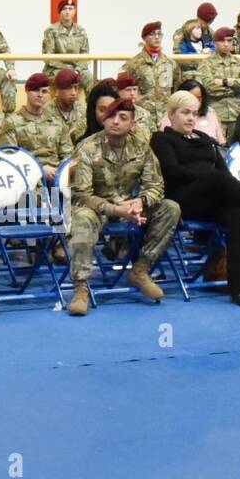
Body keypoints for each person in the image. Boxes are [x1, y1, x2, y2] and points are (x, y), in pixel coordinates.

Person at [151, 91, 240, 307]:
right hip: (182, 200)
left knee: (237, 215)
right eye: (185, 113)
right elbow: (173, 171)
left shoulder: (204, 140)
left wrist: (218, 182)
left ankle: (239, 290)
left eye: (194, 113)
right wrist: (209, 178)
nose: (191, 118)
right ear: (171, 115)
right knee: (218, 179)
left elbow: (226, 176)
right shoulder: (161, 139)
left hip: (212, 197)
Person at [64, 98, 180, 316]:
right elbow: (80, 195)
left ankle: (140, 269)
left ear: (132, 124)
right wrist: (117, 209)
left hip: (130, 203)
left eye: (123, 117)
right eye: (111, 116)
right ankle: (80, 287)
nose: (115, 121)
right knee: (82, 217)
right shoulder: (87, 148)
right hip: (98, 207)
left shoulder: (141, 147)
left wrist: (140, 202)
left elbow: (155, 185)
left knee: (170, 208)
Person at [0, 73, 73, 185]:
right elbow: (9, 159)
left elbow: (68, 154)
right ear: (27, 91)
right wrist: (39, 170)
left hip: (57, 179)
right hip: (27, 182)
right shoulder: (12, 122)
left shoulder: (57, 121)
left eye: (44, 91)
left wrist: (60, 172)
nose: (40, 95)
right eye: (36, 90)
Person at [196, 26, 240, 142]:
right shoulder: (206, 63)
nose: (226, 44)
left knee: (238, 146)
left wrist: (226, 82)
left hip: (237, 112)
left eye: (229, 40)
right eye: (222, 41)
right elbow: (209, 86)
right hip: (216, 112)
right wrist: (236, 86)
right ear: (215, 42)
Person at [123, 20, 179, 111]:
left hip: (165, 115)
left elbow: (176, 89)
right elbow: (125, 90)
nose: (157, 37)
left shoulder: (170, 63)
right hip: (143, 115)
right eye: (152, 34)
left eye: (159, 34)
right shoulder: (134, 64)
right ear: (144, 38)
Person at [42, 0, 93, 94]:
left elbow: (85, 54)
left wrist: (77, 70)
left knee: (89, 77)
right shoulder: (51, 31)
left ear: (74, 11)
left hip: (77, 69)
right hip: (56, 69)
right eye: (64, 9)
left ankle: (91, 107)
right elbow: (49, 57)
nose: (67, 12)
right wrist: (69, 70)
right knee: (64, 78)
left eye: (70, 9)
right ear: (59, 12)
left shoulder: (81, 30)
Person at [159, 78, 225, 144]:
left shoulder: (210, 115)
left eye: (199, 98)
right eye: (191, 97)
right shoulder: (171, 116)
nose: (195, 101)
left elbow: (221, 143)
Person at [114, 73, 158, 139]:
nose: (132, 93)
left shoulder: (145, 114)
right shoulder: (113, 114)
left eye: (134, 89)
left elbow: (154, 137)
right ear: (118, 92)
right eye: (128, 90)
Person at [50, 69, 87, 144]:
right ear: (58, 89)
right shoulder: (46, 112)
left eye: (76, 88)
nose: (73, 93)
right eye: (68, 88)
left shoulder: (84, 112)